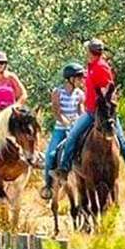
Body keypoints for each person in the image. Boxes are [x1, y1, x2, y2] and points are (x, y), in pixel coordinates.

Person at [55, 39, 125, 183]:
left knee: (118, 139)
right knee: (74, 136)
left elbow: (107, 90)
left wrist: (104, 108)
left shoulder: (101, 67)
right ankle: (65, 170)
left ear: (90, 52)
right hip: (90, 109)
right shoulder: (91, 66)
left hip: (98, 112)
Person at [39, 63, 85, 200]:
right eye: (78, 78)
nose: (81, 80)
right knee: (50, 155)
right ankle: (47, 185)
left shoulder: (80, 94)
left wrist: (79, 123)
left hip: (75, 127)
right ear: (70, 78)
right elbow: (56, 112)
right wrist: (66, 123)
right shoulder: (57, 92)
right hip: (60, 128)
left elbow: (80, 111)